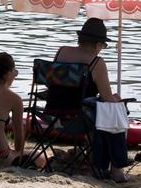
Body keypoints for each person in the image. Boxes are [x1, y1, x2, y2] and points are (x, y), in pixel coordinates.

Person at [53, 18, 130, 183]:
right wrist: (116, 99)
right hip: (80, 121)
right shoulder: (96, 62)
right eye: (103, 45)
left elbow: (60, 87)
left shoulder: (62, 52)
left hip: (53, 117)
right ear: (98, 44)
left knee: (103, 107)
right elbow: (107, 98)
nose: (102, 49)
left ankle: (95, 156)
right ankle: (116, 169)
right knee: (117, 110)